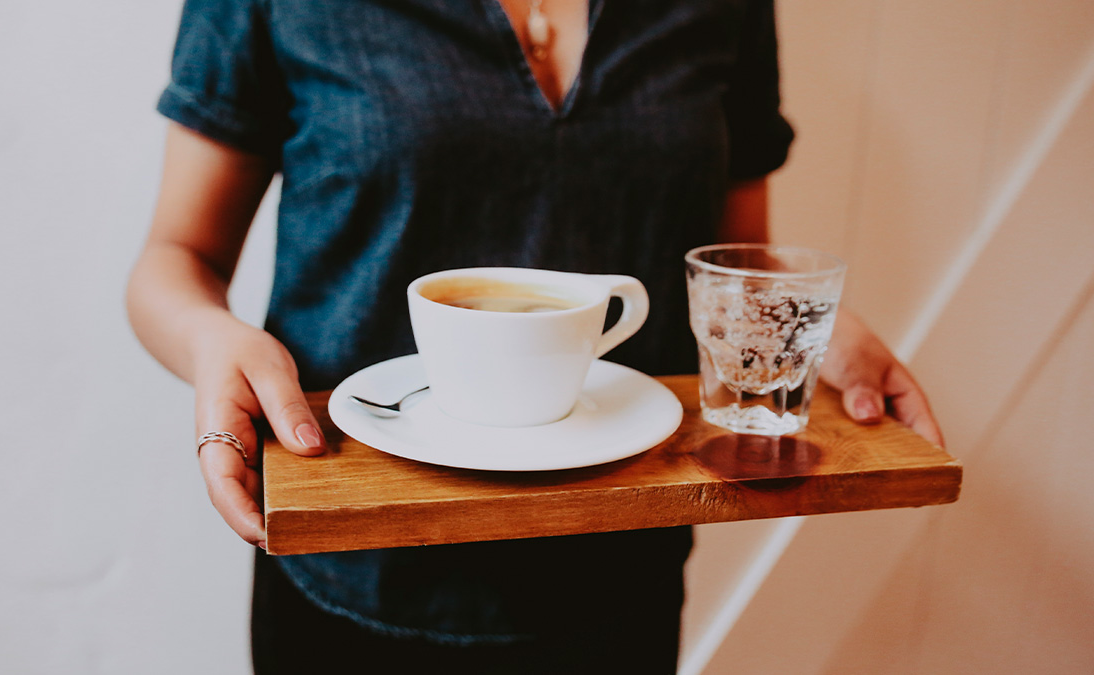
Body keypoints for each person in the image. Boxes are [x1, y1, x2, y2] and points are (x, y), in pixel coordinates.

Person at [126, 0, 943, 672]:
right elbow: (176, 257)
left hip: (621, 572)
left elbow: (734, 255)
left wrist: (802, 324)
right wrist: (210, 338)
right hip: (353, 577)